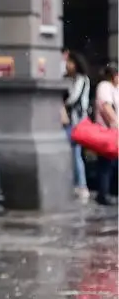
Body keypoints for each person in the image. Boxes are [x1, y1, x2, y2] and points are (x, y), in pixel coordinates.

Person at [62, 51, 92, 202]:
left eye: (70, 62)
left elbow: (74, 99)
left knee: (75, 153)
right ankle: (76, 184)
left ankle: (81, 185)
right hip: (69, 122)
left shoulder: (81, 79)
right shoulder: (67, 78)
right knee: (73, 153)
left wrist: (62, 103)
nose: (68, 65)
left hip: (77, 123)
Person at [92, 62, 118, 206]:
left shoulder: (115, 88)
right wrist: (116, 125)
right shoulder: (104, 87)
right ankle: (103, 194)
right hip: (108, 131)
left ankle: (110, 192)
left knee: (111, 164)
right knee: (106, 164)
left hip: (114, 132)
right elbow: (107, 108)